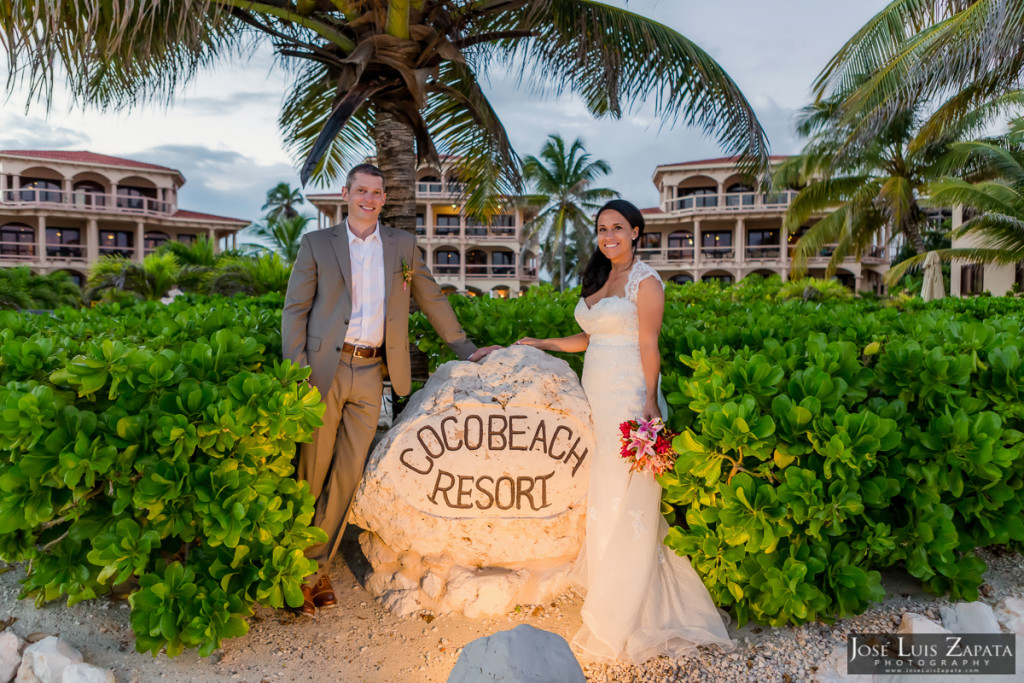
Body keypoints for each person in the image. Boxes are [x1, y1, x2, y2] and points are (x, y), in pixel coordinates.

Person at [515, 199, 733, 663]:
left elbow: (647, 344)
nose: (608, 235)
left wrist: (649, 403)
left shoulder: (646, 282)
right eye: (601, 229)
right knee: (603, 494)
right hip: (594, 396)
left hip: (628, 399)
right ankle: (608, 586)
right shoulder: (599, 277)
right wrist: (544, 342)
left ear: (637, 231)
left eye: (617, 228)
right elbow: (590, 338)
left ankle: (625, 608)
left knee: (626, 498)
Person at [282, 163, 497, 616]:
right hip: (325, 368)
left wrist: (465, 347)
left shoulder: (401, 245)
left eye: (376, 192)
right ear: (346, 194)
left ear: (383, 198)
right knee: (312, 471)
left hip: (372, 372)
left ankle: (312, 569)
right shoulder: (317, 244)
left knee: (347, 476)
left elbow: (430, 296)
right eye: (361, 190)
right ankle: (288, 571)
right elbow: (295, 309)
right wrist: (295, 368)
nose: (369, 198)